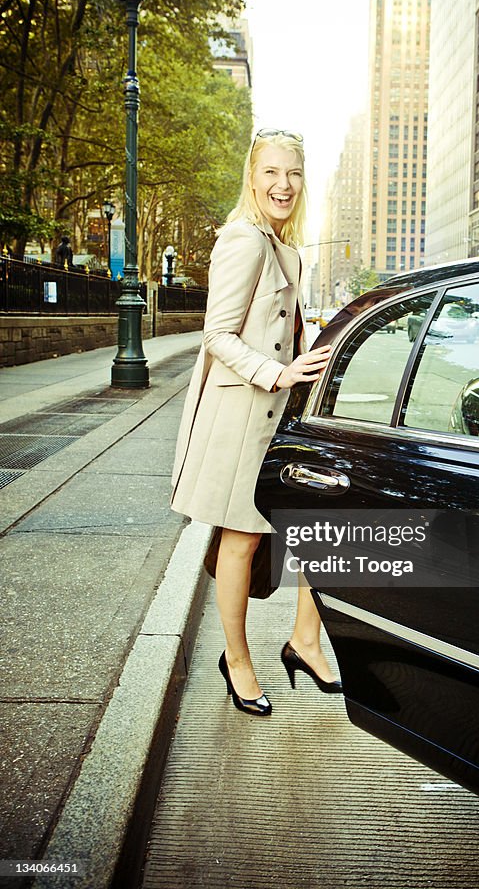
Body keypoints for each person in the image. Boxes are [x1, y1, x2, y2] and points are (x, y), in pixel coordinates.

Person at [170, 129, 338, 717]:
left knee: (321, 529)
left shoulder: (281, 245)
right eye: (270, 172)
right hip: (244, 416)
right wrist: (278, 372)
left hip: (277, 416)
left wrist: (307, 349)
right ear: (252, 176)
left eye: (291, 173)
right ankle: (236, 661)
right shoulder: (242, 240)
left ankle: (305, 640)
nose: (282, 184)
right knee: (240, 539)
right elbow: (217, 336)